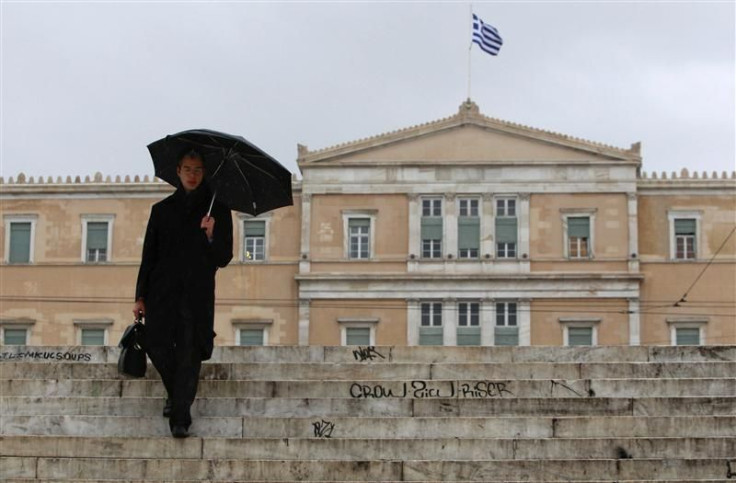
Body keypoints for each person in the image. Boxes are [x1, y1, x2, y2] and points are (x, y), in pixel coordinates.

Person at [133, 150, 233, 438]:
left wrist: (211, 235)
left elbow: (224, 257)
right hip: (161, 293)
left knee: (189, 352)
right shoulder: (161, 210)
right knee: (156, 344)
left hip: (197, 295)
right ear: (177, 171)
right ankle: (179, 395)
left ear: (204, 173)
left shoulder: (217, 210)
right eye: (187, 169)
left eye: (198, 170)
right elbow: (148, 256)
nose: (192, 174)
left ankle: (180, 418)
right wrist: (140, 296)